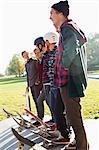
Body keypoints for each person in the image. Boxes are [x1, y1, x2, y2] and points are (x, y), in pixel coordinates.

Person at [50, 1, 89, 150]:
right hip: (69, 80)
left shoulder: (68, 28)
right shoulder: (67, 29)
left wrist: (63, 66)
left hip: (70, 81)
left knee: (74, 119)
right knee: (73, 117)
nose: (50, 17)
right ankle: (81, 145)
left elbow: (71, 50)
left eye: (52, 13)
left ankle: (82, 147)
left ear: (60, 14)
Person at [44, 32, 71, 142]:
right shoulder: (54, 52)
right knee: (57, 110)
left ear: (46, 42)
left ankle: (64, 134)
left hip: (57, 85)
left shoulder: (55, 53)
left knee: (58, 110)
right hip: (55, 85)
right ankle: (61, 131)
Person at [34, 37, 54, 122]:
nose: (36, 49)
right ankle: (41, 117)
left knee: (51, 103)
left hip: (49, 84)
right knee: (40, 101)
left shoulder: (48, 55)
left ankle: (55, 120)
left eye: (37, 46)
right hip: (45, 84)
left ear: (40, 45)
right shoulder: (44, 56)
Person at [21, 51, 42, 121]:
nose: (26, 56)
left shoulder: (35, 61)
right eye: (24, 55)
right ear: (23, 57)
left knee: (39, 100)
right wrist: (27, 86)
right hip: (31, 85)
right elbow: (28, 76)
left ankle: (40, 116)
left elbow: (39, 71)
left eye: (27, 54)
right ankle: (38, 115)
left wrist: (38, 80)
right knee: (35, 100)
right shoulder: (26, 64)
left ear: (28, 54)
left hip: (36, 84)